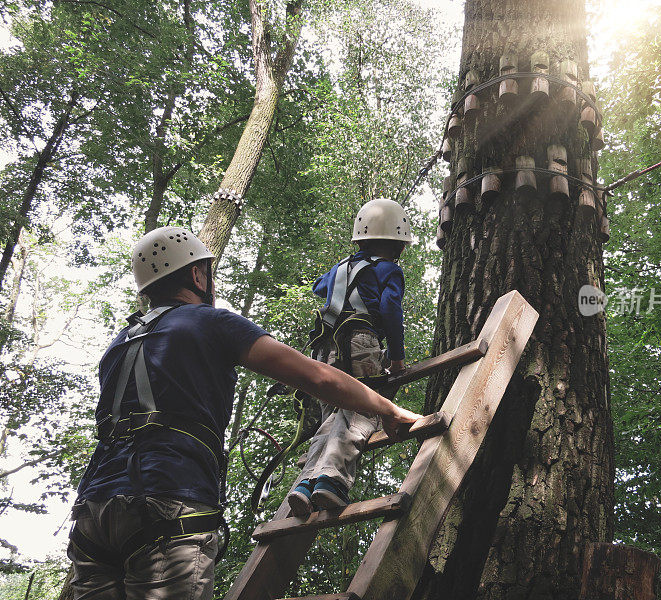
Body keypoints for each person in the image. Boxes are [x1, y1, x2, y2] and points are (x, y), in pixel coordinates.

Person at [67, 226, 420, 600]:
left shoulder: (118, 344)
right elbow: (319, 377)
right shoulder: (209, 322)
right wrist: (387, 407)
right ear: (196, 274)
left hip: (92, 514)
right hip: (168, 499)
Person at [287, 199, 412, 516]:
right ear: (397, 244)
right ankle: (331, 480)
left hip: (324, 351)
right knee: (364, 407)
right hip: (358, 341)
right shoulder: (389, 270)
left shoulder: (340, 269)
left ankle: (305, 484)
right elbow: (390, 311)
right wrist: (396, 359)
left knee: (332, 417)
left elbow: (319, 287)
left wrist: (344, 272)